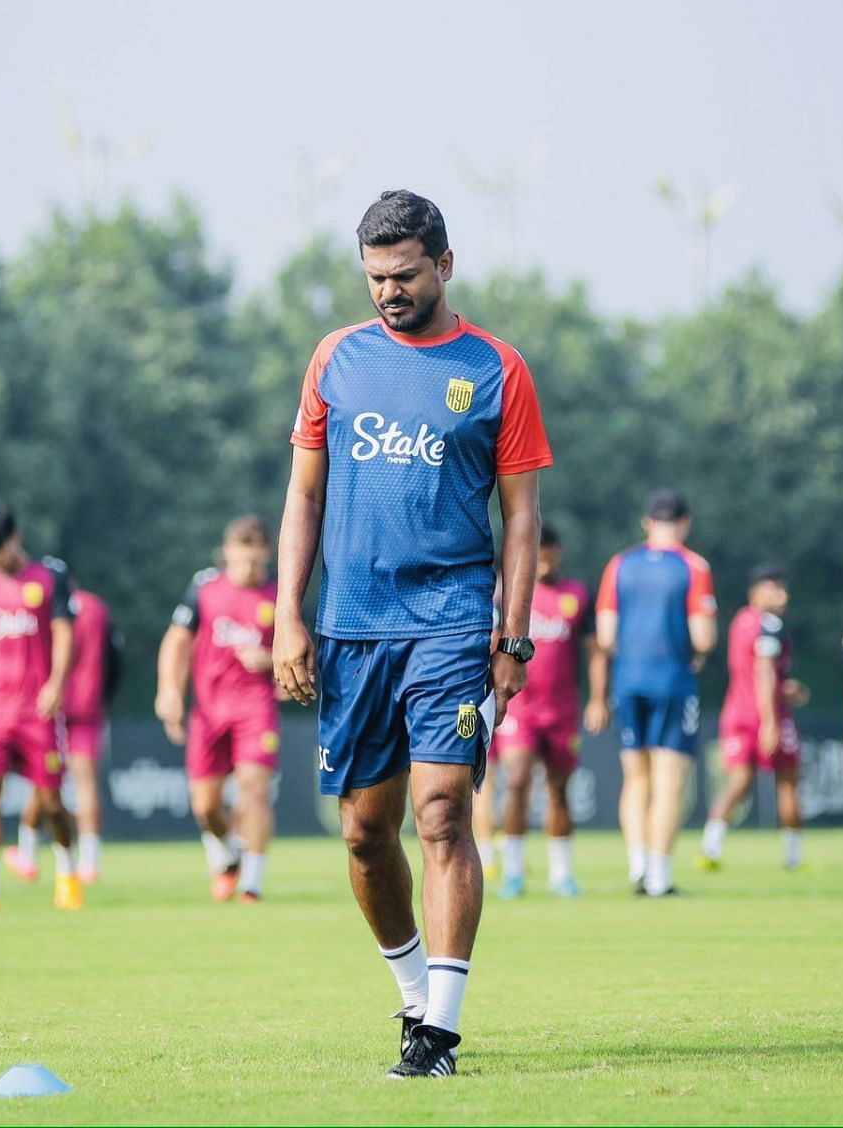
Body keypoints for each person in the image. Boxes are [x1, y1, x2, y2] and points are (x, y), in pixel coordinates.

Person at [272, 189, 550, 1078]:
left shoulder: (498, 369)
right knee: (363, 832)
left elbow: (520, 519)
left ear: (445, 266)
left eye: (404, 274)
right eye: (374, 278)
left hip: (454, 625)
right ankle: (412, 1002)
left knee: (441, 814)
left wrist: (512, 637)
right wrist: (289, 618)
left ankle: (443, 1033)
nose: (387, 291)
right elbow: (303, 498)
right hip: (352, 627)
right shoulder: (334, 360)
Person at [586, 489, 717, 897]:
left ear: (647, 523)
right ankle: (659, 876)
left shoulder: (619, 564)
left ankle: (637, 865)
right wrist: (692, 652)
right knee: (669, 781)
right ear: (686, 523)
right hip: (673, 680)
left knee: (635, 778)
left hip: (628, 680)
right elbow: (704, 636)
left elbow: (606, 635)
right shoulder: (694, 566)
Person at [0, 499, 82, 913]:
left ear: (16, 538)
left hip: (37, 709)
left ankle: (67, 873)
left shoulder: (50, 575)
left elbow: (64, 632)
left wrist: (57, 683)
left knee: (49, 800)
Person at [156, 516, 282, 903]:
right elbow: (176, 641)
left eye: (256, 562)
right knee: (206, 806)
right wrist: (169, 692)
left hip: (255, 708)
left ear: (266, 557)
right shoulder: (205, 589)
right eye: (242, 560)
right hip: (209, 710)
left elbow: (296, 654)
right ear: (227, 554)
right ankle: (229, 854)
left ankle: (252, 884)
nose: (249, 569)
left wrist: (270, 660)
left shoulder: (278, 597)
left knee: (253, 789)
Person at [495, 522, 592, 899]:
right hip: (521, 706)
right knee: (517, 780)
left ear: (558, 553)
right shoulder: (511, 595)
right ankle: (514, 871)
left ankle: (561, 874)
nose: (545, 562)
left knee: (559, 789)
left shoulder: (576, 595)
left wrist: (598, 697)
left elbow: (594, 649)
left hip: (562, 709)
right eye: (538, 555)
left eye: (550, 554)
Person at [699, 566, 809, 872]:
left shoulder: (740, 621)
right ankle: (794, 857)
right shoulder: (770, 625)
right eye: (774, 589)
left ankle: (710, 847)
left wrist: (785, 687)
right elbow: (763, 671)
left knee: (738, 783)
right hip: (766, 714)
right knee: (787, 782)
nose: (782, 596)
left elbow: (755, 673)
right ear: (756, 592)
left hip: (736, 712)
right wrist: (771, 721)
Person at [62, 584, 119, 884]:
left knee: (44, 783)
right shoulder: (96, 607)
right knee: (85, 784)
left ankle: (31, 850)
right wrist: (103, 698)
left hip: (51, 706)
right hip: (90, 704)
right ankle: (90, 861)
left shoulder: (47, 605)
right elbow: (115, 657)